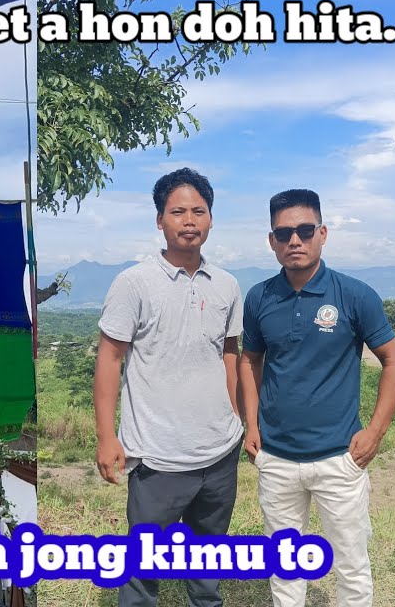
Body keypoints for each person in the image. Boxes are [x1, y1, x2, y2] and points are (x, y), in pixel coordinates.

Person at [240, 189, 395, 607]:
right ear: (272, 240)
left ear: (323, 233)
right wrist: (251, 425)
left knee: (351, 564)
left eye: (304, 230)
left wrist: (375, 432)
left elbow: (394, 361)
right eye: (284, 233)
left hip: (339, 458)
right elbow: (250, 361)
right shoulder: (260, 297)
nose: (294, 240)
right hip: (276, 458)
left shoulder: (355, 294)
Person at [94, 168, 243, 607]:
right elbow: (110, 359)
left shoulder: (228, 285)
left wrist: (237, 419)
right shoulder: (134, 282)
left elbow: (229, 354)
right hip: (158, 455)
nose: (189, 220)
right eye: (178, 211)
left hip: (219, 451)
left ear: (212, 220)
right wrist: (107, 438)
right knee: (143, 573)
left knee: (208, 561)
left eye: (199, 211)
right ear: (159, 220)